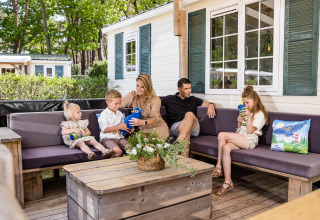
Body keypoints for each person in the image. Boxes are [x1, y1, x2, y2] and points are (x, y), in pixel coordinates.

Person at [212, 85, 269, 196]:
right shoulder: (245, 111)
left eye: (247, 103)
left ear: (255, 101)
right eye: (244, 103)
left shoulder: (260, 114)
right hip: (241, 137)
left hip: (250, 140)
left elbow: (249, 132)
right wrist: (239, 121)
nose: (245, 105)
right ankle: (228, 182)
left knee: (221, 135)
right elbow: (239, 130)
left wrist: (247, 118)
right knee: (226, 147)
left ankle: (218, 167)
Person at [161, 78, 216, 157]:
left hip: (194, 127)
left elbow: (210, 103)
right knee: (187, 130)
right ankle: (185, 160)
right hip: (176, 128)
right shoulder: (169, 99)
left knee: (189, 114)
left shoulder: (193, 99)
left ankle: (179, 141)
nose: (189, 91)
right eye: (186, 89)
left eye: (190, 88)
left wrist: (211, 105)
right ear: (179, 89)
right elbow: (154, 101)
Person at [121, 73, 169, 140]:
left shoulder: (155, 100)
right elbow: (117, 104)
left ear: (148, 87)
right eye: (137, 86)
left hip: (158, 126)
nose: (139, 89)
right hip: (144, 129)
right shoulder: (133, 95)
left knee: (150, 142)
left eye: (142, 87)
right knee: (133, 144)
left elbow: (154, 119)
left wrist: (141, 122)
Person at [98, 90, 132, 157]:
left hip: (120, 138)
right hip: (107, 138)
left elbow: (124, 125)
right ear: (108, 102)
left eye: (120, 103)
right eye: (116, 103)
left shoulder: (120, 114)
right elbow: (105, 130)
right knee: (118, 151)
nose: (118, 106)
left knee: (131, 148)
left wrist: (129, 128)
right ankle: (111, 166)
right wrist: (119, 127)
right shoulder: (103, 114)